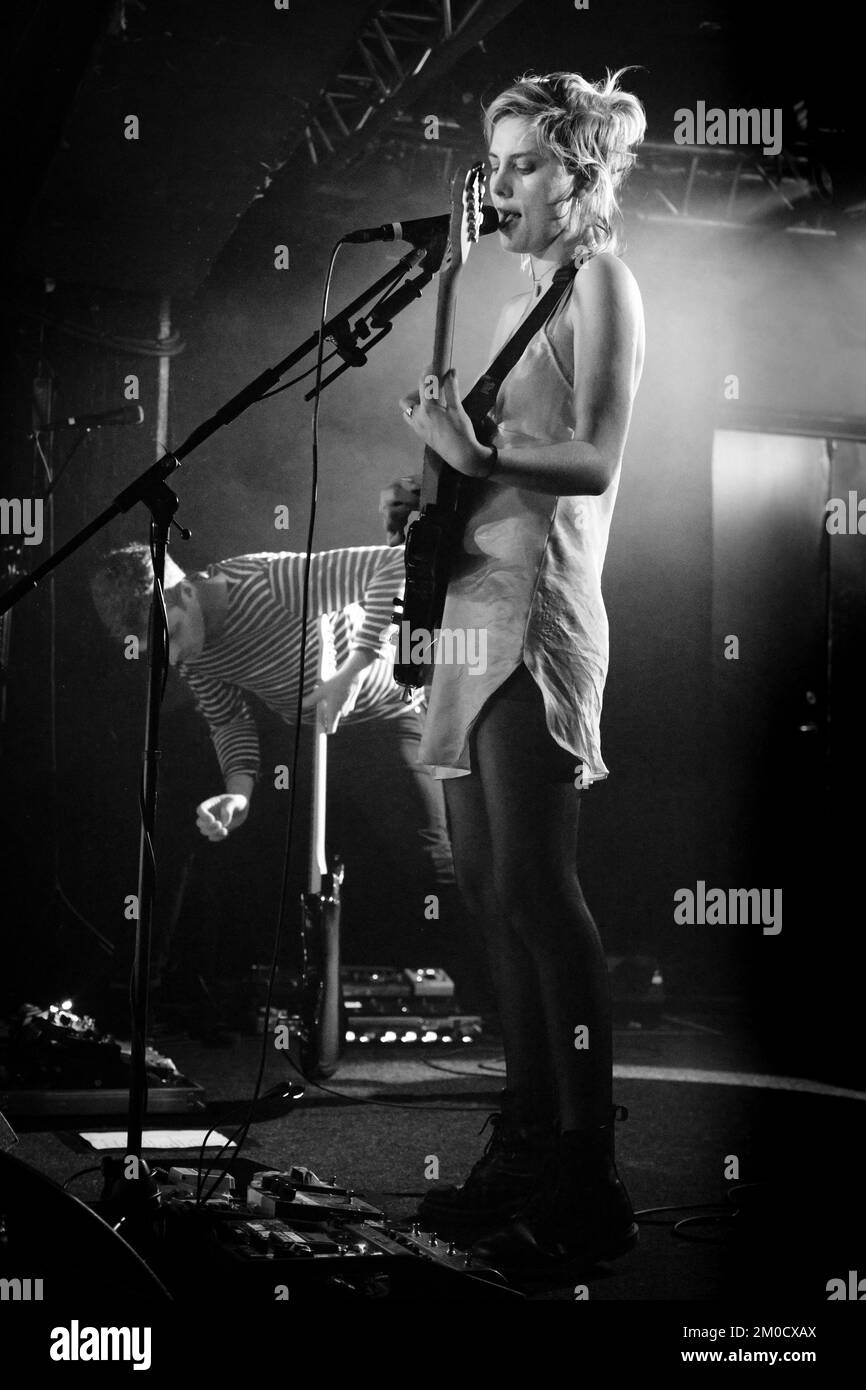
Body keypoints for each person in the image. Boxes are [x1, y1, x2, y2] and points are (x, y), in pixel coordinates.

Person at [390, 69, 646, 1269]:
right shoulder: (516, 298)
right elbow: (492, 456)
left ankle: (589, 1165)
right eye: (497, 161)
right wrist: (437, 481)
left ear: (579, 174)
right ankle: (525, 1136)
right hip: (469, 604)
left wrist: (473, 445)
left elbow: (592, 455)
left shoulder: (602, 282)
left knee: (542, 892)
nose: (504, 182)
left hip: (536, 608)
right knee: (490, 891)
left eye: (528, 161)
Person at [89, 541, 484, 996]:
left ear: (188, 593)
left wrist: (352, 672)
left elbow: (396, 564)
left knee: (427, 858)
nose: (174, 658)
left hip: (380, 716)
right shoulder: (189, 651)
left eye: (173, 635)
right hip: (300, 731)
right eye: (161, 651)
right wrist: (239, 791)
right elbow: (229, 719)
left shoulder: (272, 584)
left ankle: (490, 995)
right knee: (273, 866)